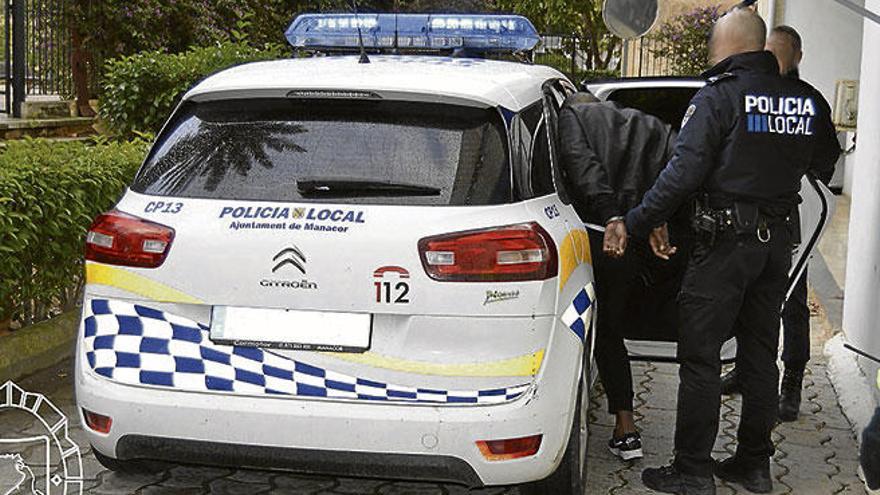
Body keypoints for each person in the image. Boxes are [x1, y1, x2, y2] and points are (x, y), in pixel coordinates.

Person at [625, 8, 840, 495]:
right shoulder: (806, 101)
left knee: (701, 358)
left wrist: (637, 222)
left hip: (724, 246)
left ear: (728, 46)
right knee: (761, 353)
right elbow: (824, 165)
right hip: (776, 247)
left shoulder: (718, 97)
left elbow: (683, 173)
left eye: (712, 45)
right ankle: (754, 464)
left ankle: (693, 470)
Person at [720, 25, 837, 424]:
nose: (775, 60)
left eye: (782, 52)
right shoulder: (751, 94)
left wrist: (798, 180)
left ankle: (793, 380)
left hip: (788, 217)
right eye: (769, 52)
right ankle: (746, 367)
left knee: (792, 300)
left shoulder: (809, 101)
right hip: (746, 219)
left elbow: (827, 161)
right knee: (747, 298)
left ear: (797, 57)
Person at [557, 92, 678, 461]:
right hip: (630, 245)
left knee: (575, 330)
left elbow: (583, 166)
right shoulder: (645, 124)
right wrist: (656, 217)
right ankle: (626, 428)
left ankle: (561, 418)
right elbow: (677, 166)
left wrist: (610, 215)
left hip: (590, 239)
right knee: (611, 331)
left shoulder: (571, 118)